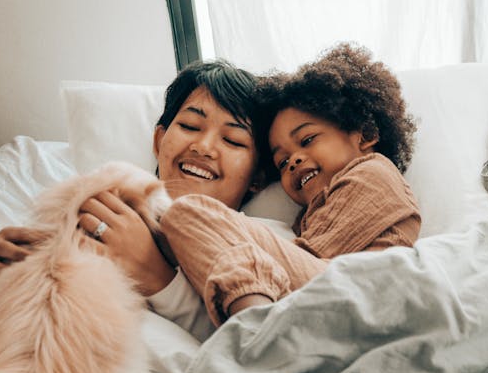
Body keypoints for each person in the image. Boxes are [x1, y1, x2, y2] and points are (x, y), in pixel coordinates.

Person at [0, 59, 275, 340]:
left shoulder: (265, 247)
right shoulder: (97, 197)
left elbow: (251, 348)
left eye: (233, 140)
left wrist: (157, 277)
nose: (204, 146)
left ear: (258, 177)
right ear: (159, 141)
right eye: (190, 127)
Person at [159, 43, 421, 326]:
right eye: (282, 162)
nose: (294, 161)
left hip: (354, 298)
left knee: (191, 214)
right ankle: (259, 330)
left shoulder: (374, 173)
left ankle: (259, 332)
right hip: (333, 301)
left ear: (365, 134)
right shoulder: (309, 215)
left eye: (307, 140)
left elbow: (309, 261)